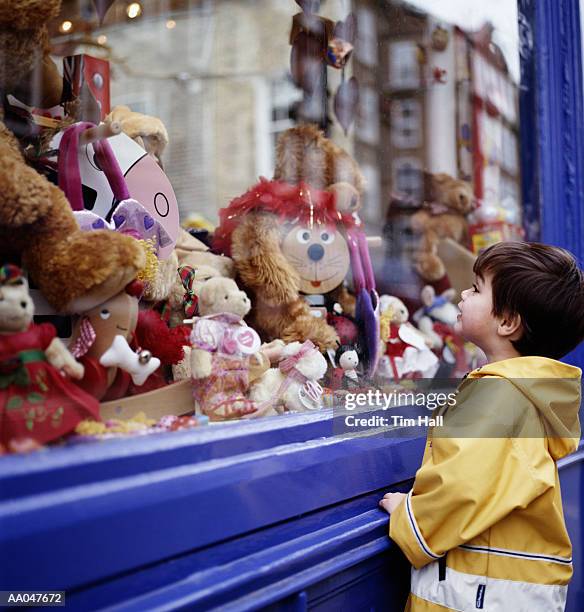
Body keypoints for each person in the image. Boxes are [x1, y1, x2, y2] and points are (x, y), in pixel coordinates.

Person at [379, 241, 584, 611]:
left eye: (476, 288)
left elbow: (463, 486)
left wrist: (408, 517)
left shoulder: (500, 397)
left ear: (507, 322)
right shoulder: (522, 391)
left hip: (479, 592)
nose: (462, 293)